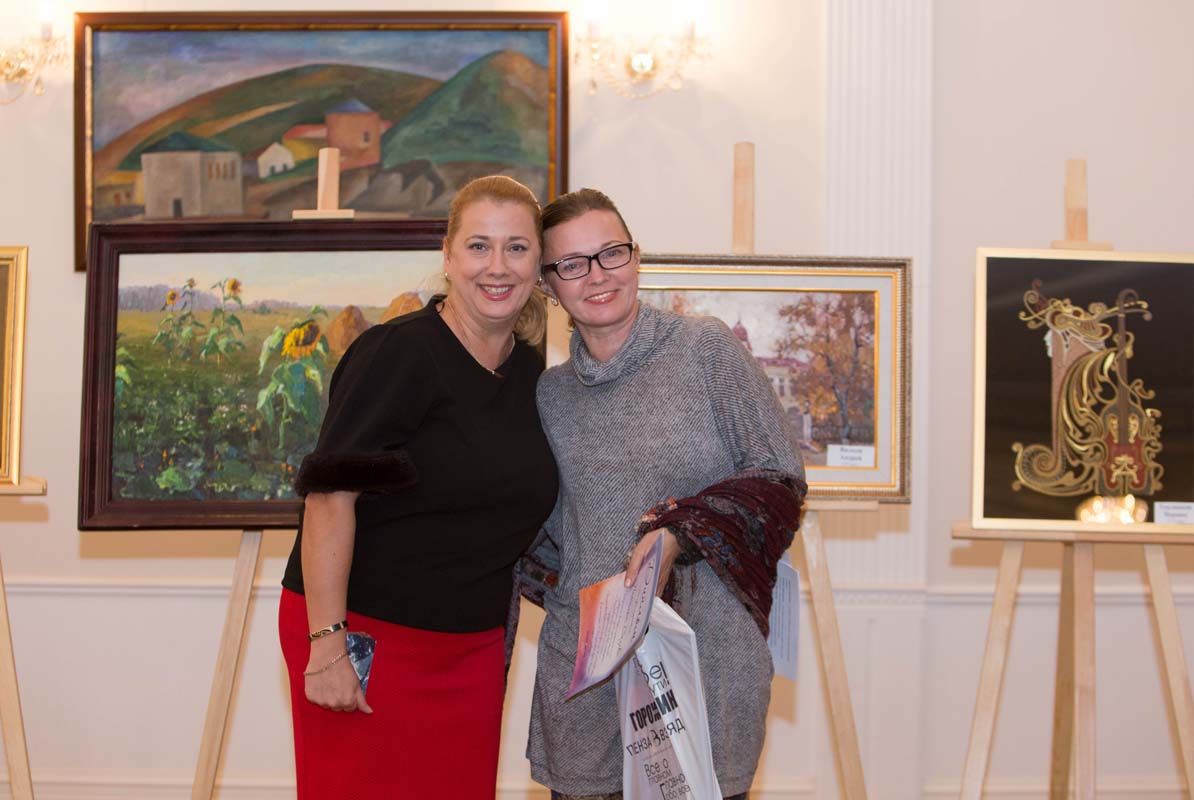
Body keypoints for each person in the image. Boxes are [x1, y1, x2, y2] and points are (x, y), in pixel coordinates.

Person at [518, 188, 807, 799]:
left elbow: (780, 478)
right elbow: (541, 531)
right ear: (548, 284)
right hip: (587, 675)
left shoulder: (705, 350)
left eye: (611, 253)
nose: (597, 275)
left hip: (706, 663)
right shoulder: (550, 395)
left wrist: (678, 533)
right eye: (572, 263)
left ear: (636, 256)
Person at [278, 175, 559, 798]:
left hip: (472, 648)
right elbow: (329, 498)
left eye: (516, 248)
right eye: (479, 246)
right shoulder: (398, 353)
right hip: (363, 634)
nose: (497, 266)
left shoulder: (530, 370)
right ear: (448, 255)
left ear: (539, 264)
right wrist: (327, 644)